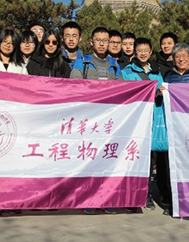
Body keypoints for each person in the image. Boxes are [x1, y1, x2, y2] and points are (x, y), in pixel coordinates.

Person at [70, 27, 122, 214]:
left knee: (108, 159)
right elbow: (74, 86)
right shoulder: (82, 62)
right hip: (89, 121)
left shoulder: (114, 65)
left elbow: (123, 89)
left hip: (109, 121)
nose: (101, 43)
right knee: (89, 160)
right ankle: (90, 199)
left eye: (105, 40)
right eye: (98, 40)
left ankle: (107, 198)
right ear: (91, 42)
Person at [121, 38, 169, 214]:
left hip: (155, 121)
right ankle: (142, 194)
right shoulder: (126, 72)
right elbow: (125, 93)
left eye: (145, 50)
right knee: (139, 160)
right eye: (139, 50)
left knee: (156, 160)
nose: (142, 53)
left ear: (150, 52)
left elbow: (163, 92)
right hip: (137, 122)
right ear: (135, 52)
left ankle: (159, 194)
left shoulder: (157, 72)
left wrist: (162, 92)